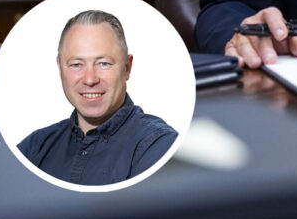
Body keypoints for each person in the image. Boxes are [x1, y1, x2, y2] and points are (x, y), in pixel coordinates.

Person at [18, 10, 178, 186]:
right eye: (76, 64)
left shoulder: (159, 145)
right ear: (60, 68)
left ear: (127, 67)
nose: (90, 79)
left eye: (103, 64)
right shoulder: (35, 147)